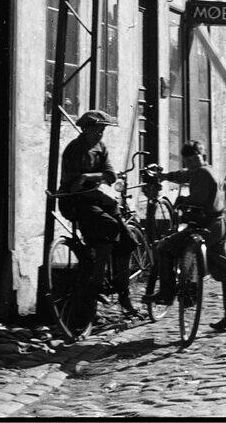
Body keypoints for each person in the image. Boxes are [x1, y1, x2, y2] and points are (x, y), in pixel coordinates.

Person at [145, 140, 226, 332]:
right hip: (218, 224)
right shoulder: (204, 169)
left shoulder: (202, 173)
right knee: (223, 269)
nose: (191, 163)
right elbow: (184, 175)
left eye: (194, 158)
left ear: (202, 156)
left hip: (205, 226)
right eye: (188, 160)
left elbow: (198, 200)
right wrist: (165, 176)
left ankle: (166, 293)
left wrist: (181, 200)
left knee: (165, 247)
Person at [57, 109, 139, 316]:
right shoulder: (74, 150)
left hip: (98, 199)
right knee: (108, 227)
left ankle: (123, 294)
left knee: (127, 240)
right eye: (96, 129)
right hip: (76, 202)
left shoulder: (101, 147)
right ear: (85, 129)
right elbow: (72, 184)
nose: (100, 133)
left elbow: (110, 175)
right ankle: (97, 281)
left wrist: (88, 176)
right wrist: (90, 182)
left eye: (102, 130)